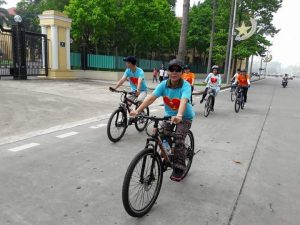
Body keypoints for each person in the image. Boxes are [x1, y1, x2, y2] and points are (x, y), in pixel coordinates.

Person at [130, 59, 195, 182]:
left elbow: (184, 101)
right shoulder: (163, 84)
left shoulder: (185, 85)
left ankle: (179, 167)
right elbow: (151, 98)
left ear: (181, 72)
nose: (174, 72)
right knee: (162, 134)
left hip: (184, 117)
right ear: (167, 71)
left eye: (177, 70)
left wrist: (179, 115)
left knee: (179, 138)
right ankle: (169, 152)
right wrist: (137, 111)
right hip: (168, 116)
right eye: (171, 70)